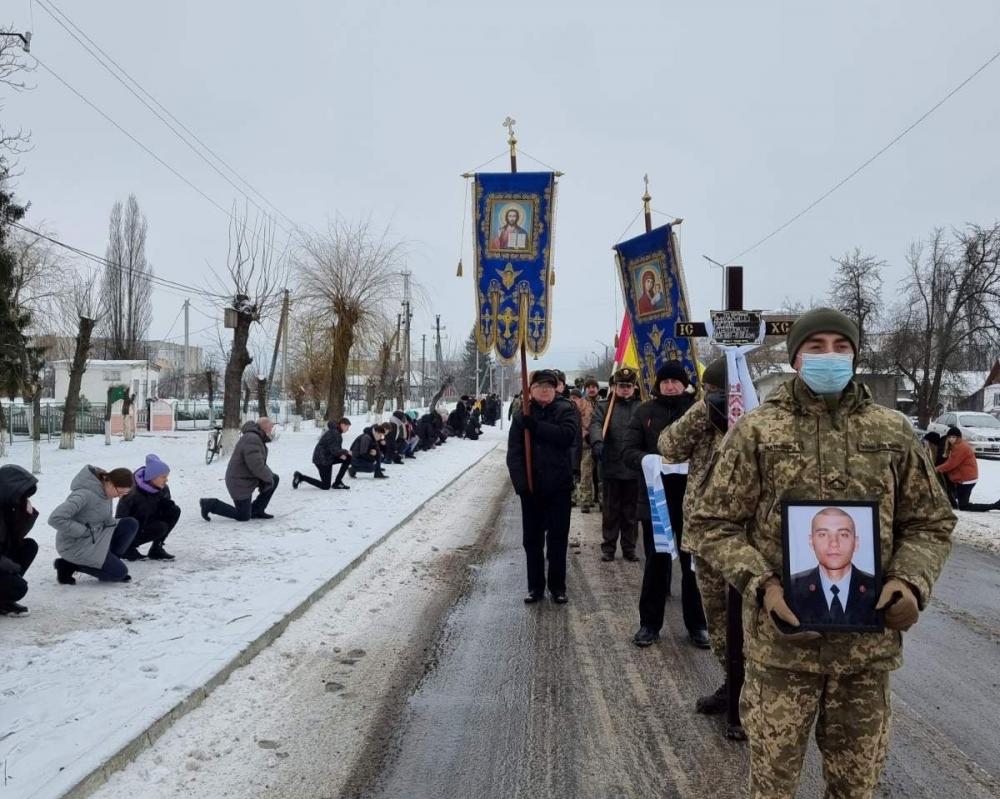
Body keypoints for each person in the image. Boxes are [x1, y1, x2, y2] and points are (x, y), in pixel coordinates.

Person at [689, 307, 954, 799]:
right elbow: (711, 523)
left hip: (864, 656)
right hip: (781, 650)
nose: (829, 355)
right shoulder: (758, 431)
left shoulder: (893, 432)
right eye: (816, 347)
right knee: (773, 786)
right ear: (795, 357)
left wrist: (909, 582)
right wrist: (763, 585)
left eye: (841, 346)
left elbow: (930, 521)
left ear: (855, 355)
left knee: (855, 787)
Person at [656, 357, 732, 713]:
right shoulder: (702, 418)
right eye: (715, 391)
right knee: (717, 616)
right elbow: (669, 446)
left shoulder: (760, 418)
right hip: (705, 530)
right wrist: (705, 409)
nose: (722, 398)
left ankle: (753, 692)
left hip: (750, 536)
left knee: (752, 621)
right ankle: (733, 681)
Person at [624, 361, 710, 649]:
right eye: (665, 382)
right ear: (657, 385)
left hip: (692, 500)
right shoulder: (644, 412)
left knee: (692, 564)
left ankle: (698, 625)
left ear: (685, 384)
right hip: (655, 499)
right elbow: (628, 450)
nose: (670, 386)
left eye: (675, 382)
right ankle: (649, 624)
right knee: (656, 563)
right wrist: (647, 460)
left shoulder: (698, 411)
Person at [507, 369, 579, 604]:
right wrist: (522, 486)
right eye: (539, 387)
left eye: (549, 386)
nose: (544, 390)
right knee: (532, 540)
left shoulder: (566, 409)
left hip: (559, 486)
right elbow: (514, 454)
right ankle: (535, 587)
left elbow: (566, 436)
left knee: (558, 539)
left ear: (555, 389)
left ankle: (557, 587)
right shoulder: (522, 415)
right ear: (531, 390)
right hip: (532, 489)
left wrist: (537, 427)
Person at [788, 508, 878, 627]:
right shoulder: (792, 588)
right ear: (811, 541)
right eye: (823, 534)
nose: (834, 543)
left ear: (856, 543)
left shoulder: (876, 588)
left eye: (843, 535)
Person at [49, 466, 139, 584]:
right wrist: (83, 531)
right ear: (110, 483)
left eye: (124, 493)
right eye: (120, 492)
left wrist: (111, 524)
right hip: (76, 545)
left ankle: (108, 561)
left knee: (130, 524)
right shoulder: (83, 495)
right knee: (119, 573)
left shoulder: (106, 491)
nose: (120, 496)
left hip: (95, 536)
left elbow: (99, 516)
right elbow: (55, 518)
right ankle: (68, 564)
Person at [589, 367, 642, 562]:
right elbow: (596, 424)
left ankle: (629, 548)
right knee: (611, 511)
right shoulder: (605, 407)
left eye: (628, 386)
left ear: (634, 387)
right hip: (611, 466)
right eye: (621, 386)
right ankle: (609, 548)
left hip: (634, 468)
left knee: (631, 513)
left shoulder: (641, 407)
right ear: (614, 387)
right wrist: (597, 441)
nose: (625, 389)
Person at [200, 418, 280, 522]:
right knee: (243, 516)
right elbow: (256, 466)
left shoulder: (255, 437)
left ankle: (256, 510)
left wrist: (269, 478)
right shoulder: (252, 439)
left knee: (274, 478)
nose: (272, 428)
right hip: (239, 482)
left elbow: (259, 462)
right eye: (270, 426)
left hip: (247, 477)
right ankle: (210, 504)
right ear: (264, 427)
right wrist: (268, 479)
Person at [117, 454, 180, 561]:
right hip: (132, 529)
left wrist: (167, 506)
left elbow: (164, 510)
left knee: (174, 510)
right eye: (163, 477)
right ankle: (128, 548)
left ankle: (156, 548)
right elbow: (120, 519)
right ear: (152, 477)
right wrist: (121, 542)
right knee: (160, 527)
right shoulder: (132, 492)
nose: (166, 480)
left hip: (147, 522)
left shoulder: (163, 489)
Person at [0, 465, 40, 617]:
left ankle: (3, 600)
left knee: (29, 546)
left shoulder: (7, 507)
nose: (23, 499)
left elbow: (15, 539)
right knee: (18, 587)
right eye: (22, 495)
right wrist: (5, 564)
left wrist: (26, 515)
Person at [294, 418, 352, 490]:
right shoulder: (335, 433)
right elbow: (335, 450)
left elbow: (333, 448)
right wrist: (346, 452)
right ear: (342, 425)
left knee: (348, 458)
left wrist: (341, 454)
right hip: (322, 460)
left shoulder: (335, 432)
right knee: (325, 486)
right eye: (347, 427)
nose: (348, 429)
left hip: (327, 457)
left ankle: (338, 483)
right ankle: (300, 477)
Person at [935, 427, 979, 510]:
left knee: (963, 506)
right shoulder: (956, 445)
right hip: (963, 478)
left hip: (966, 479)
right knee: (959, 501)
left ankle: (995, 505)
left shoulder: (960, 447)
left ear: (958, 437)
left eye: (954, 437)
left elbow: (951, 464)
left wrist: (936, 469)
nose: (951, 439)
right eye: (949, 437)